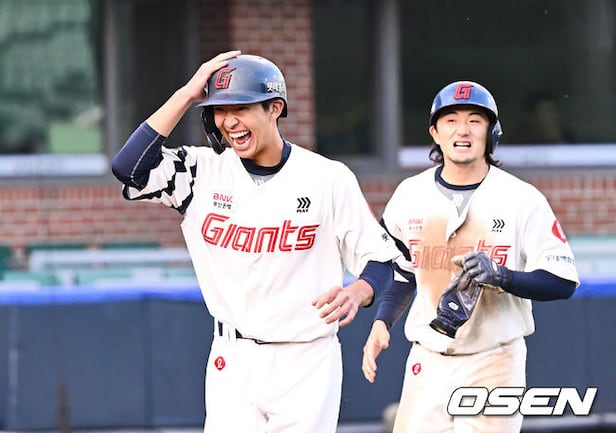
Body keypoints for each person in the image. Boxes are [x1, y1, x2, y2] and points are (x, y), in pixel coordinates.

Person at [111, 50, 400, 433]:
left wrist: (359, 290)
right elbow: (128, 167)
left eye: (242, 107)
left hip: (306, 357)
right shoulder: (201, 171)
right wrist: (187, 94)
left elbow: (380, 259)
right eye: (219, 109)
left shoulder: (328, 177)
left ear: (274, 108)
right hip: (232, 357)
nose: (229, 121)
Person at [361, 81, 579, 433]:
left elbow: (563, 281)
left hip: (495, 359)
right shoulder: (409, 194)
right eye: (451, 120)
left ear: (492, 133)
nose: (462, 130)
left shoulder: (522, 198)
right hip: (428, 358)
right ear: (435, 132)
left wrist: (503, 276)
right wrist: (382, 322)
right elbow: (401, 270)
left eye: (475, 120)